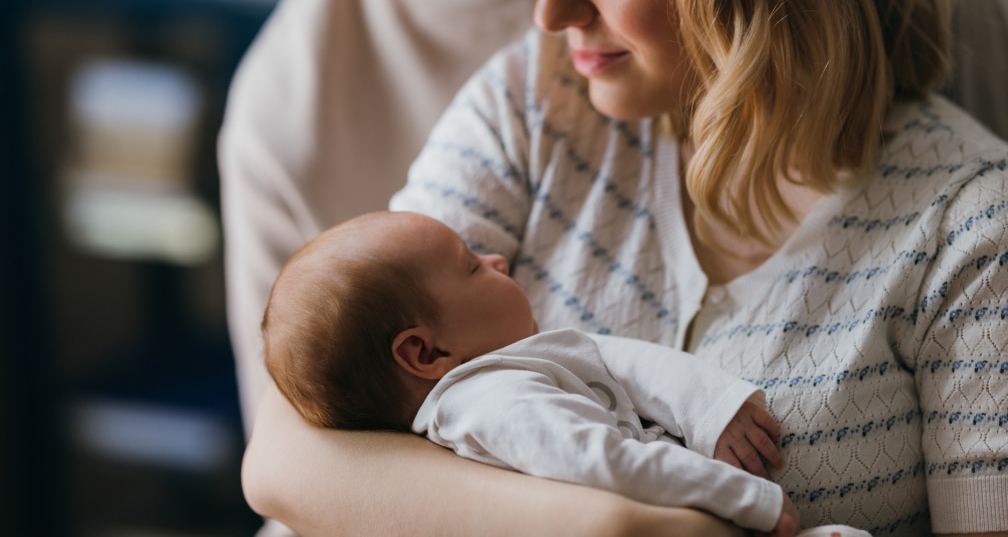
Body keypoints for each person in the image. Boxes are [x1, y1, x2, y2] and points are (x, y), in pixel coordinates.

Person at [240, 0, 1008, 535]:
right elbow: (294, 453)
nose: (549, 12)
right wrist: (612, 526)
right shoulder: (528, 106)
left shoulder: (986, 228)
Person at [262, 209, 808, 535]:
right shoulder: (491, 404)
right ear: (426, 355)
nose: (498, 261)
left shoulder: (506, 371)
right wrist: (746, 497)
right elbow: (605, 462)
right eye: (473, 266)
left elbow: (617, 360)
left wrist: (712, 408)